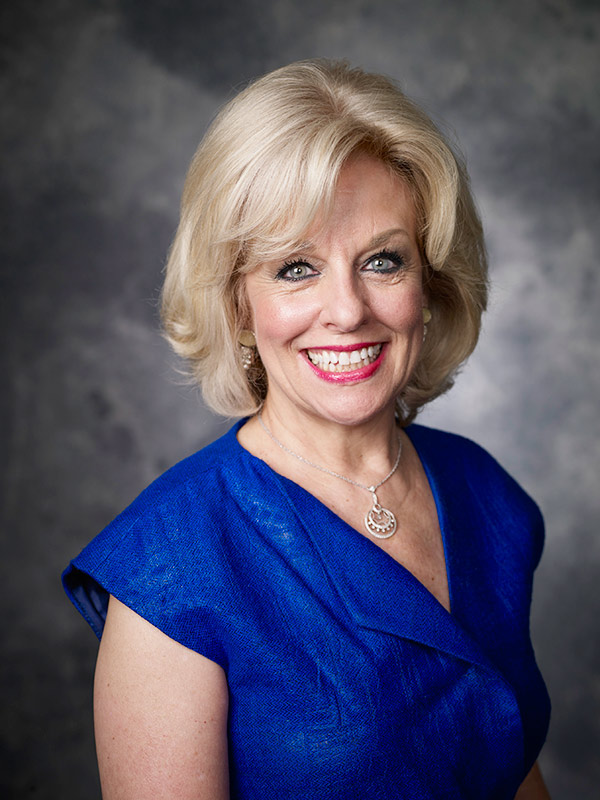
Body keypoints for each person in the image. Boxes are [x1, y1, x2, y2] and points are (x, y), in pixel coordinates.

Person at [63, 59, 551, 799]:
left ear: (431, 283)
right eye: (296, 268)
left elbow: (505, 766)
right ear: (237, 304)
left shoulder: (487, 495)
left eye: (382, 261)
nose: (348, 310)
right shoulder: (173, 565)